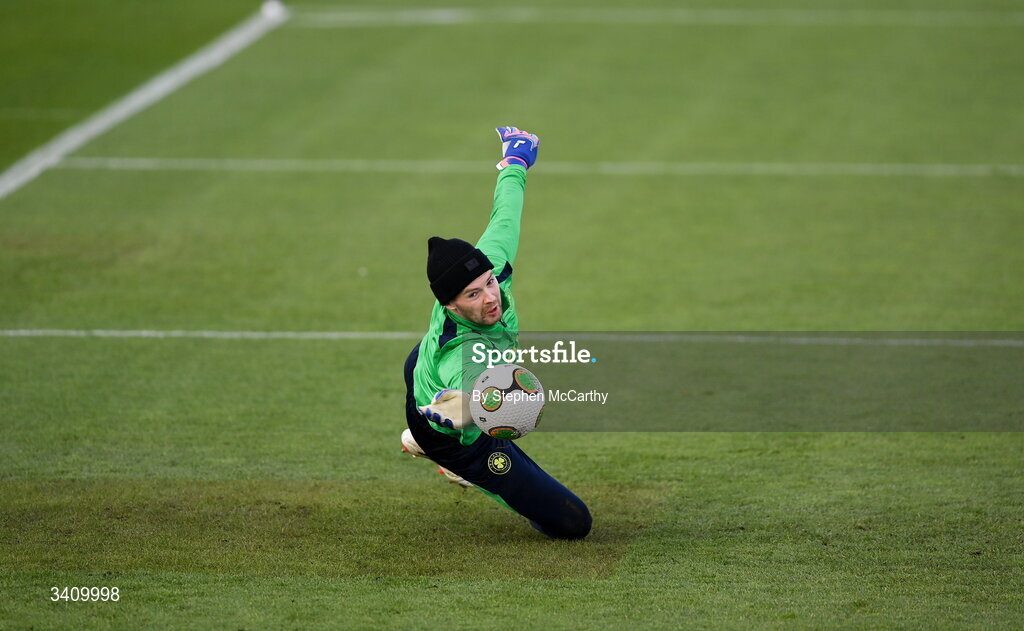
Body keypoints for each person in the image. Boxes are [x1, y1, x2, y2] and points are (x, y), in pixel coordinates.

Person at [400, 127, 592, 540]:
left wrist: (514, 162)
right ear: (450, 305)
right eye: (474, 293)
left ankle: (424, 417)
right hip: (453, 430)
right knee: (573, 523)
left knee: (426, 367)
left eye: (489, 282)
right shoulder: (465, 356)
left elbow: (505, 215)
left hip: (423, 365)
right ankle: (436, 447)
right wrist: (465, 413)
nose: (491, 297)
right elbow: (477, 401)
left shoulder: (492, 265)